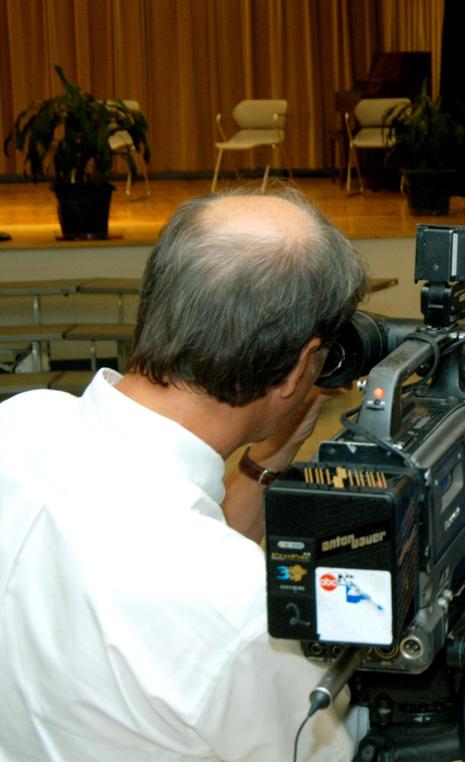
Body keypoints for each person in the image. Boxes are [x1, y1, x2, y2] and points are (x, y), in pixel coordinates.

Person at [0, 188, 367, 760]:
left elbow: (174, 535)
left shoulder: (20, 423)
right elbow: (334, 748)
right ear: (300, 366)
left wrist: (274, 450)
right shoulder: (244, 615)